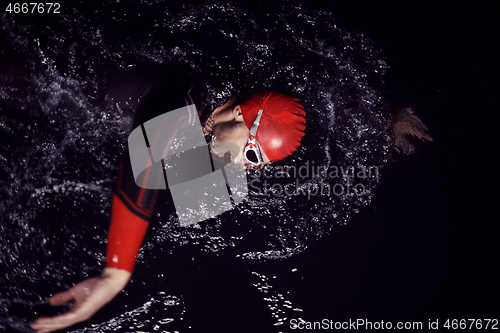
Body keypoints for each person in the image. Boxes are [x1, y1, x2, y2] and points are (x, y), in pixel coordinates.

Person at [30, 68, 308, 333]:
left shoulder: (210, 122)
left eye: (258, 165)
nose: (245, 167)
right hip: (37, 89)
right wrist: (116, 272)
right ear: (238, 114)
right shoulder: (181, 100)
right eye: (251, 155)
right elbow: (143, 161)